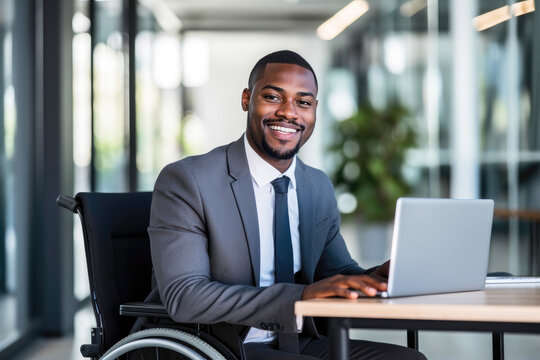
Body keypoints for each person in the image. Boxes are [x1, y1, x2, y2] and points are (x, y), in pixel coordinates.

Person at [148, 50, 427, 360]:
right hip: (214, 346)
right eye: (273, 97)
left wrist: (375, 278)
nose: (289, 113)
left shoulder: (316, 186)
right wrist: (300, 297)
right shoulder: (188, 181)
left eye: (303, 103)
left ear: (315, 111)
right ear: (246, 99)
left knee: (407, 359)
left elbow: (336, 273)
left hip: (297, 341)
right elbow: (185, 296)